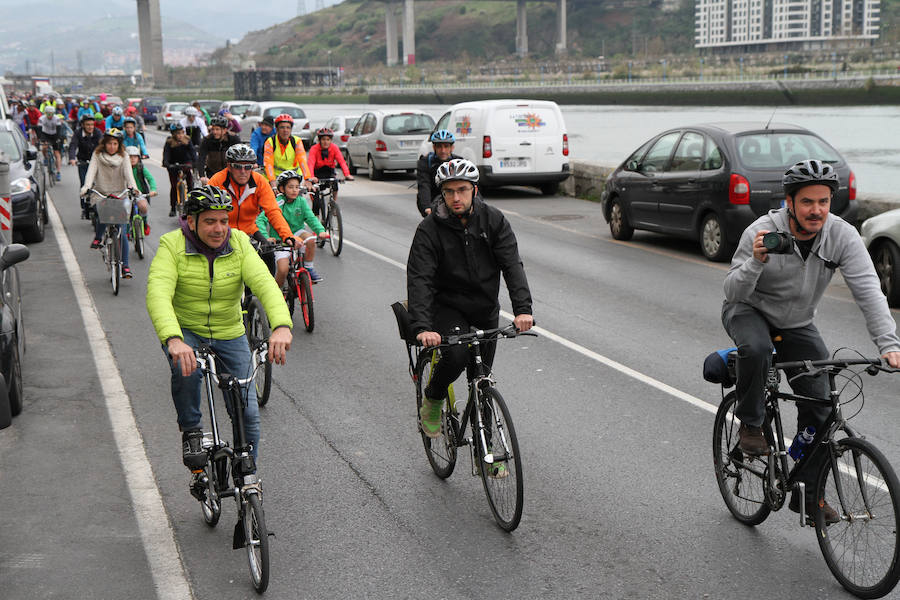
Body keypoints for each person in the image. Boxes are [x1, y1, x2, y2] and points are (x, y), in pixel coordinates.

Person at [723, 159, 900, 521]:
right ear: (790, 202)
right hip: (747, 309)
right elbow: (732, 289)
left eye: (823, 201)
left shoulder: (842, 235)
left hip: (797, 322)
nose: (816, 210)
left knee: (820, 409)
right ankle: (752, 424)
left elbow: (868, 289)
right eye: (807, 202)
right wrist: (757, 260)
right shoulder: (761, 230)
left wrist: (889, 343)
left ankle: (807, 494)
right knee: (756, 349)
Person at [145, 185, 292, 481]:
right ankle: (191, 431)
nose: (219, 229)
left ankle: (247, 477)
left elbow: (264, 284)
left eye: (224, 221)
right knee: (186, 369)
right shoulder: (172, 244)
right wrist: (173, 339)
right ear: (192, 221)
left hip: (229, 331)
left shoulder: (238, 243)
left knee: (248, 414)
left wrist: (281, 326)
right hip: (186, 330)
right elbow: (158, 292)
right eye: (210, 221)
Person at [407, 158, 534, 448]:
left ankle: (485, 448)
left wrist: (523, 309)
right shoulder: (429, 229)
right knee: (455, 356)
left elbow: (512, 265)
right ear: (442, 193)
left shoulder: (494, 220)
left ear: (474, 190)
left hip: (484, 306)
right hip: (447, 306)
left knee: (482, 380)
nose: (456, 197)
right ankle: (434, 398)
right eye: (449, 191)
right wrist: (423, 326)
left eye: (462, 190)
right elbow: (420, 278)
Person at [207, 144, 303, 251]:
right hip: (224, 232)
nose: (243, 171)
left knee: (269, 254)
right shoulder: (216, 181)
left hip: (250, 231)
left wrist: (287, 236)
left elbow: (273, 211)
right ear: (229, 166)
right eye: (238, 166)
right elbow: (208, 213)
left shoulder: (260, 181)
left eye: (248, 167)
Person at [80, 128, 136, 277]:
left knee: (123, 233)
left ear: (119, 145)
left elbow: (129, 175)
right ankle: (98, 237)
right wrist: (86, 187)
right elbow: (91, 172)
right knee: (103, 213)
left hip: (120, 195)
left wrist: (133, 188)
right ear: (104, 144)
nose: (112, 146)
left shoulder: (124, 156)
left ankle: (125, 266)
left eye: (115, 143)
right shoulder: (97, 155)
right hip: (102, 194)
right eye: (109, 143)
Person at [256, 170, 327, 286]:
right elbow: (260, 220)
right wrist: (265, 237)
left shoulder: (301, 201)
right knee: (283, 270)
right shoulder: (277, 202)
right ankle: (277, 295)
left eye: (297, 187)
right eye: (291, 187)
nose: (295, 190)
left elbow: (311, 218)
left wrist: (321, 231)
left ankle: (308, 267)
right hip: (280, 240)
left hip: (297, 233)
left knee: (310, 239)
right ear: (282, 189)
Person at [416, 130, 461, 217]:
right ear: (434, 148)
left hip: (453, 199)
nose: (443, 150)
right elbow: (424, 185)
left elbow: (470, 186)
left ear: (452, 148)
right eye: (439, 147)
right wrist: (426, 207)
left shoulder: (459, 162)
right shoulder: (425, 162)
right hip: (433, 200)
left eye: (446, 146)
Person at [69, 112, 104, 214]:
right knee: (84, 183)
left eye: (92, 124)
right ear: (83, 125)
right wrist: (72, 158)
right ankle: (84, 206)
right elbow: (73, 145)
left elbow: (102, 145)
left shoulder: (98, 132)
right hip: (83, 162)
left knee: (99, 184)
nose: (90, 127)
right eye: (88, 125)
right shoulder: (78, 133)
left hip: (96, 162)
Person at [263, 113, 311, 186]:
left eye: (288, 127)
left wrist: (307, 179)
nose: (285, 130)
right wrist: (272, 181)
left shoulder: (297, 141)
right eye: (282, 127)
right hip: (276, 178)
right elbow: (268, 163)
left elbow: (302, 161)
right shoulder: (270, 142)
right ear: (277, 129)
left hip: (294, 177)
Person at [161, 123, 198, 217]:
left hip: (186, 163)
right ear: (173, 134)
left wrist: (194, 163)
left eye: (182, 132)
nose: (180, 135)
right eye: (178, 133)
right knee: (174, 186)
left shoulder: (187, 140)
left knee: (190, 184)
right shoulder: (169, 142)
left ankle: (191, 205)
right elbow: (166, 155)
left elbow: (193, 153)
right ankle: (173, 207)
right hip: (173, 165)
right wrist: (166, 163)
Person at [198, 115, 241, 183]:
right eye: (213, 129)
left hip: (230, 172)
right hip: (212, 172)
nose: (214, 132)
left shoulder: (233, 139)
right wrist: (202, 175)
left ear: (224, 130)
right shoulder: (207, 140)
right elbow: (201, 157)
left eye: (217, 129)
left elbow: (240, 155)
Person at [127, 145, 157, 236]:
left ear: (138, 158)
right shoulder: (123, 168)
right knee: (124, 211)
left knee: (143, 206)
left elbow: (151, 179)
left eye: (135, 157)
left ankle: (144, 223)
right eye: (130, 157)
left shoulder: (141, 168)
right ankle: (127, 229)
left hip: (139, 194)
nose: (132, 159)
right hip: (126, 194)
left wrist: (153, 190)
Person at [37, 105, 65, 181]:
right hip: (45, 134)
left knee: (57, 154)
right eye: (48, 114)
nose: (50, 115)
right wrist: (40, 139)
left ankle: (58, 172)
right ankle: (46, 157)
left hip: (55, 134)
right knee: (44, 147)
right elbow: (39, 130)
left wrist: (58, 139)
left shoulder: (57, 118)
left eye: (51, 114)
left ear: (53, 113)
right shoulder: (41, 118)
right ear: (45, 113)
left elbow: (59, 130)